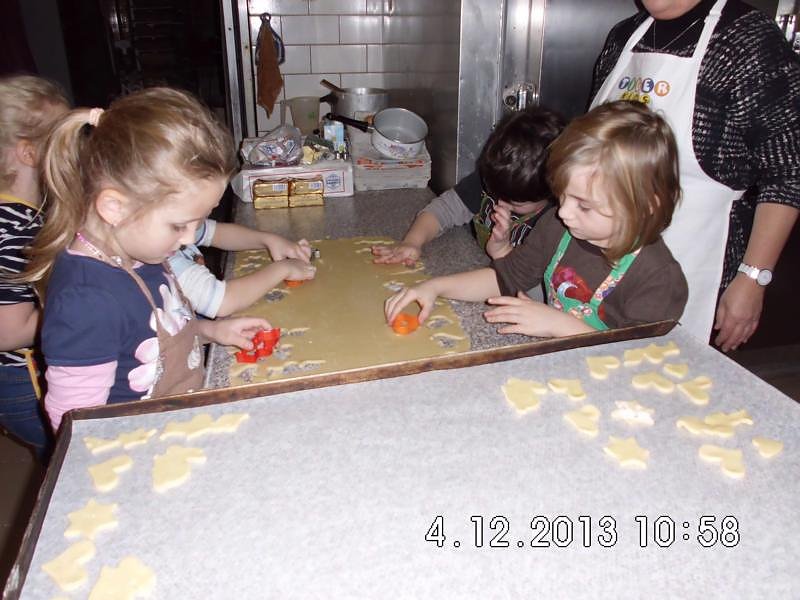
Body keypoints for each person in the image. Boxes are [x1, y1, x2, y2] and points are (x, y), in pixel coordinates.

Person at [22, 87, 284, 431]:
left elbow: (147, 335)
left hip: (177, 421)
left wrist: (210, 331)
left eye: (196, 223)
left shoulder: (140, 250)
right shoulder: (85, 301)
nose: (191, 238)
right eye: (179, 225)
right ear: (115, 207)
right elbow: (75, 426)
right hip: (139, 452)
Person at [590, 0, 800, 351]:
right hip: (605, 262)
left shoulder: (746, 39)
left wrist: (753, 278)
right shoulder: (624, 36)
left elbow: (788, 171)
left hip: (699, 266)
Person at [385, 101, 687, 338]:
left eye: (584, 205)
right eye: (563, 195)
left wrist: (558, 324)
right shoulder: (559, 228)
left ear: (645, 205)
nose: (564, 211)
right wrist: (435, 287)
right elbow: (506, 278)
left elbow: (642, 358)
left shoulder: (658, 278)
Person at [372, 106, 565, 266]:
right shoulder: (496, 179)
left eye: (516, 204)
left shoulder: (555, 224)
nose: (502, 204)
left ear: (552, 192)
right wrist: (413, 242)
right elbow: (443, 211)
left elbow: (528, 285)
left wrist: (503, 252)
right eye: (495, 194)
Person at [0, 75, 68, 459]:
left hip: (18, 379)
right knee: (66, 459)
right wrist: (75, 310)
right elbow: (8, 333)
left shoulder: (23, 215)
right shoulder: (20, 231)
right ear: (29, 153)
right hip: (24, 383)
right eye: (61, 140)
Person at [168, 218, 314, 318]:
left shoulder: (181, 222)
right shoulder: (166, 264)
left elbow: (218, 233)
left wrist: (270, 240)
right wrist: (283, 268)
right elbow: (223, 301)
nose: (190, 239)